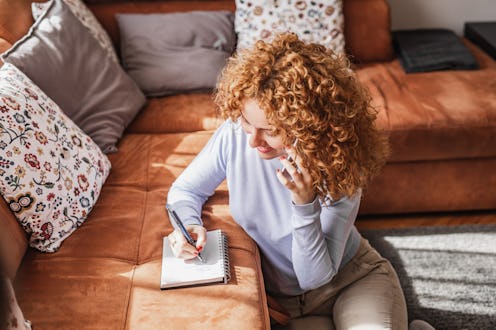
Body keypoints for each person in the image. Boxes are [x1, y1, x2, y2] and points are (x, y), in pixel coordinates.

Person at [166, 32, 408, 329]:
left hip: (352, 281)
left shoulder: (340, 167)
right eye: (246, 121)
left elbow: (313, 276)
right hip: (286, 306)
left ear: (307, 125)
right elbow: (185, 189)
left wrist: (304, 205)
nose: (253, 141)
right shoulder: (235, 135)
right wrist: (190, 225)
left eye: (270, 130)